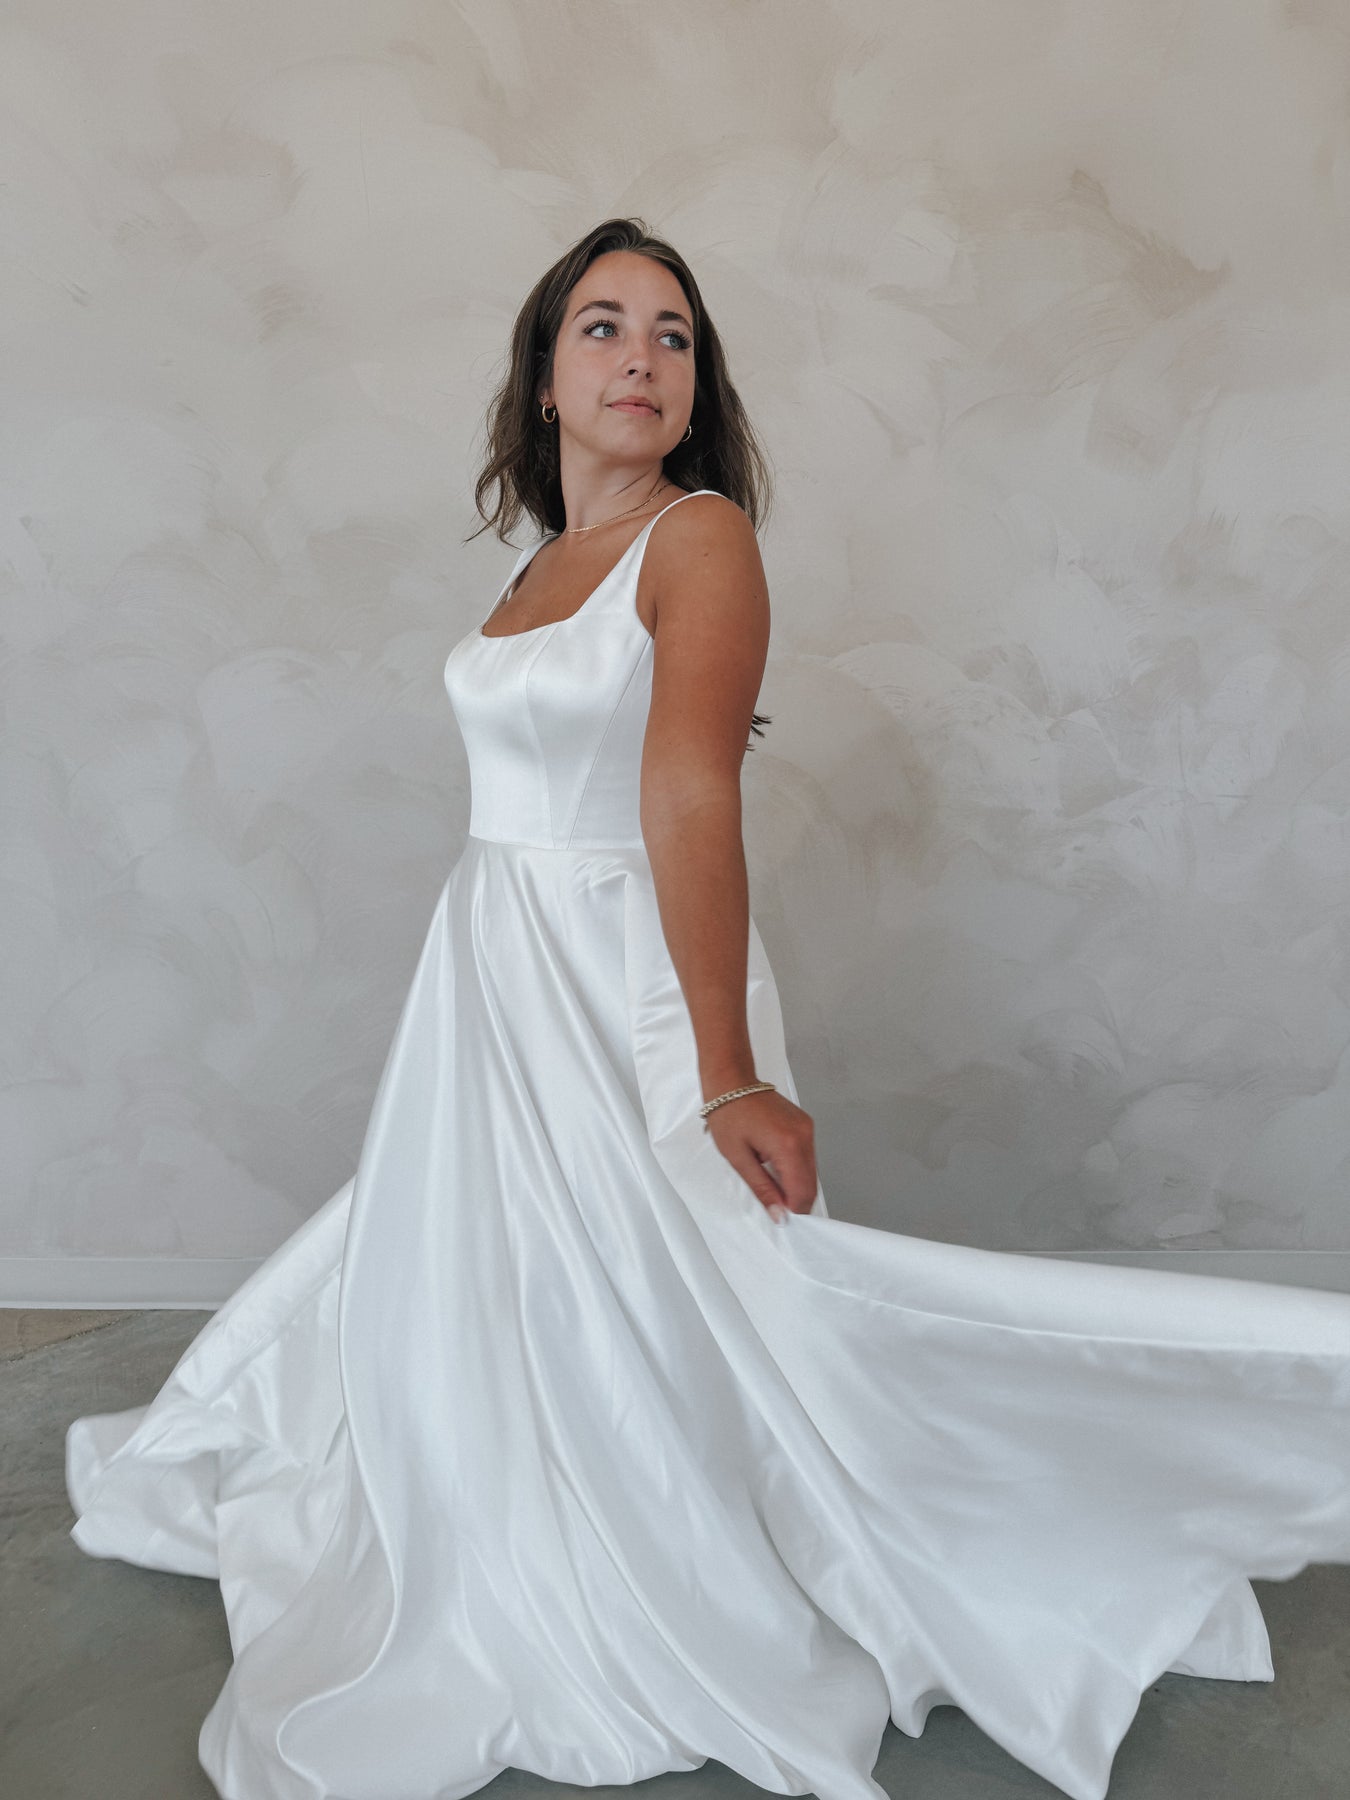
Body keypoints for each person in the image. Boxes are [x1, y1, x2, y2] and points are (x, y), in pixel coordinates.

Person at [66, 218, 1350, 1800]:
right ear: (545, 379)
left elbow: (685, 789)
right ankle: (514, 1506)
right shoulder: (534, 567)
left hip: (625, 971)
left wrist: (727, 1072)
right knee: (502, 1277)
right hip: (493, 963)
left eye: (672, 335)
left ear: (697, 385)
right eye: (603, 327)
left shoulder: (700, 539)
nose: (641, 358)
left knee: (698, 1297)